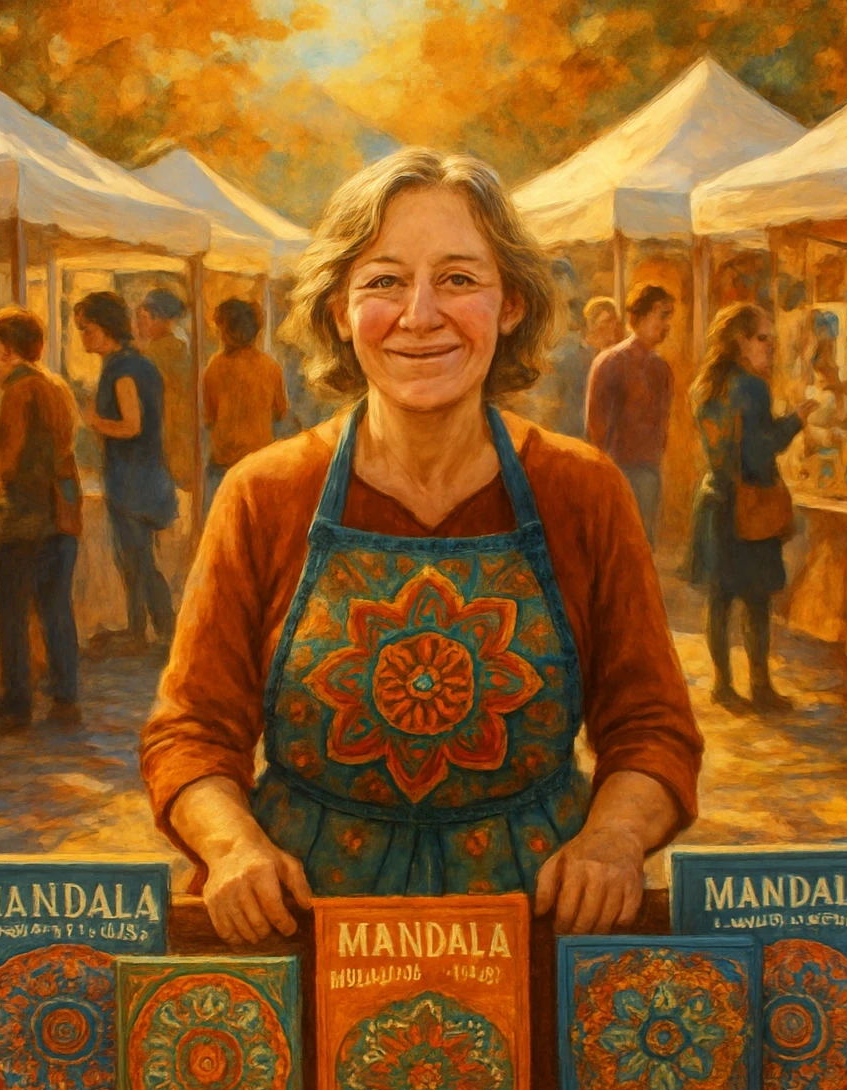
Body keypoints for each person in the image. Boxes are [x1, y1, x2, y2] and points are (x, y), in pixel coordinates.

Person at [140, 147, 702, 947]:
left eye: (460, 279)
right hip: (304, 927)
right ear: (339, 308)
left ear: (510, 304)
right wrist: (233, 848)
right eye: (383, 281)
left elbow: (652, 727)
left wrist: (612, 839)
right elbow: (190, 731)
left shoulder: (583, 488)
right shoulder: (266, 494)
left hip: (535, 927)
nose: (420, 313)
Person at [0, 306, 82, 730]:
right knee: (55, 609)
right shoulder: (55, 385)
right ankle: (65, 699)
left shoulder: (18, 392)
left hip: (27, 519)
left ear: (8, 349)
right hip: (61, 516)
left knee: (9, 612)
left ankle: (16, 704)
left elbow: (6, 465)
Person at [689, 302, 814, 715]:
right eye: (763, 339)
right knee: (757, 600)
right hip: (749, 508)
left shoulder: (705, 386)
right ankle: (760, 687)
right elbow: (760, 453)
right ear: (738, 341)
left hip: (714, 502)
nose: (771, 348)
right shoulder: (751, 388)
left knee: (719, 599)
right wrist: (795, 420)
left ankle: (723, 687)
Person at [76, 291, 177, 653]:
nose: (83, 336)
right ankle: (161, 629)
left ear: (106, 328)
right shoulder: (137, 364)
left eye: (87, 329)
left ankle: (143, 633)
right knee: (139, 558)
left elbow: (131, 425)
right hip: (145, 474)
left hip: (132, 479)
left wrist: (94, 422)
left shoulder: (121, 369)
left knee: (134, 558)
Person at [586, 283, 675, 547]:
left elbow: (662, 425)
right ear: (640, 317)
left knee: (642, 544)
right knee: (614, 543)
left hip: (648, 471)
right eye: (662, 315)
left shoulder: (661, 369)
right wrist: (604, 470)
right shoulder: (610, 362)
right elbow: (596, 425)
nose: (667, 324)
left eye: (669, 316)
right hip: (615, 469)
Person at [202, 297, 288, 510]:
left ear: (229, 330)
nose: (219, 334)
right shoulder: (270, 366)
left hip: (225, 462)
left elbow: (209, 416)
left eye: (220, 328)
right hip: (260, 460)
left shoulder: (215, 367)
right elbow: (281, 411)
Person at [136, 288, 191, 490]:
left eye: (144, 318)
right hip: (174, 431)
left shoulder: (156, 353)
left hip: (167, 430)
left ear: (160, 319)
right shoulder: (179, 348)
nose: (140, 325)